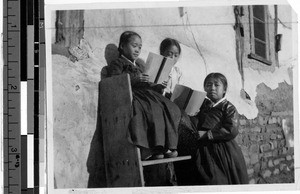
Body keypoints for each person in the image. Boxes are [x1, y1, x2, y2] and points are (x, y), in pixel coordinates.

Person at [106, 31, 182, 159]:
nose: (137, 50)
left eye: (140, 47)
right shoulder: (118, 63)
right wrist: (137, 78)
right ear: (122, 46)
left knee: (169, 107)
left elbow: (149, 84)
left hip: (148, 94)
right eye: (134, 45)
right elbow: (114, 80)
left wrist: (160, 85)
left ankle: (166, 146)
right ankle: (152, 148)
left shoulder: (141, 66)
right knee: (152, 109)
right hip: (133, 94)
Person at [175, 72, 249, 185]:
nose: (212, 88)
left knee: (218, 180)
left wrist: (207, 134)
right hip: (203, 150)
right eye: (208, 85)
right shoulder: (202, 106)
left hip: (222, 150)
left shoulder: (228, 107)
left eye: (216, 85)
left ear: (224, 89)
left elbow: (231, 129)